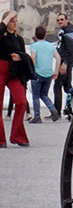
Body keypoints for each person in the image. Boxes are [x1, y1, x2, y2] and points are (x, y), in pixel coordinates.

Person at [0, 11, 31, 146]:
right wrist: (6, 18)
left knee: (21, 102)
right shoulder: (1, 36)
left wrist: (20, 57)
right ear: (6, 22)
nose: (15, 24)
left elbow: (24, 55)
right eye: (12, 21)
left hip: (14, 71)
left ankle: (17, 135)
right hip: (0, 69)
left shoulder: (19, 39)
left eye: (16, 21)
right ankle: (1, 139)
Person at [28, 25, 60, 123]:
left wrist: (31, 71)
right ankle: (53, 109)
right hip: (48, 74)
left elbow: (33, 58)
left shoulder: (34, 46)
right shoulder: (51, 46)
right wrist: (56, 71)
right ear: (45, 35)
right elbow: (58, 58)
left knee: (36, 96)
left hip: (38, 73)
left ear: (35, 35)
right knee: (44, 95)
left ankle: (37, 116)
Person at [53, 12, 73, 114]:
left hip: (66, 61)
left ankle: (56, 111)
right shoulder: (66, 31)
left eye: (61, 19)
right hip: (67, 61)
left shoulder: (69, 32)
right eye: (58, 20)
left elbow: (71, 50)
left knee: (58, 85)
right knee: (67, 86)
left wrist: (65, 63)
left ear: (66, 20)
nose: (60, 21)